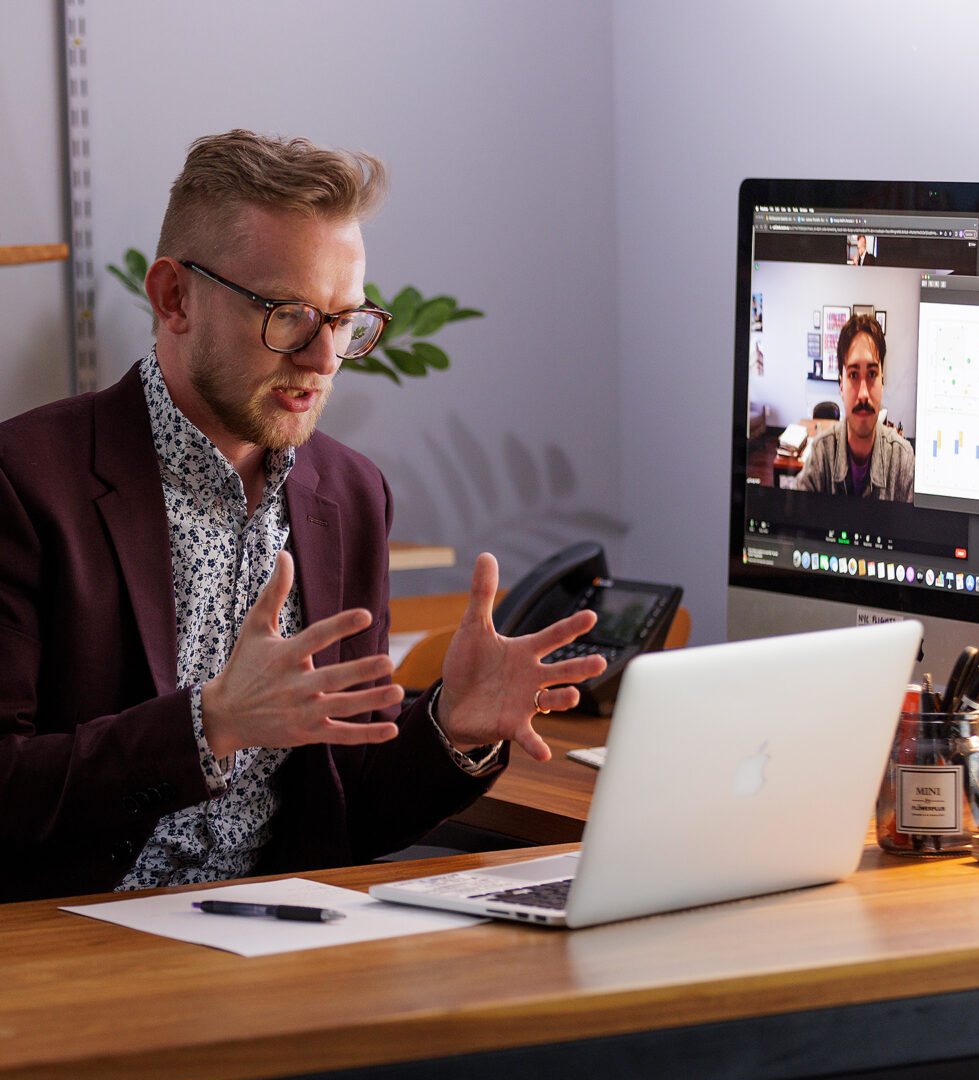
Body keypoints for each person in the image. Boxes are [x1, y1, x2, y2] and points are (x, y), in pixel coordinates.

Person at [0, 130, 610, 906]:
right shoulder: (23, 483)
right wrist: (207, 725)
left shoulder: (349, 495)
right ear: (173, 297)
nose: (325, 360)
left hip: (284, 941)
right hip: (74, 947)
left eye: (346, 320)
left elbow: (352, 809)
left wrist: (452, 725)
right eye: (289, 315)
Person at [796, 312, 913, 501]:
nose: (863, 394)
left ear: (882, 383)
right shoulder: (821, 453)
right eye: (853, 375)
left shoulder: (902, 459)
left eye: (872, 373)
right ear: (841, 385)